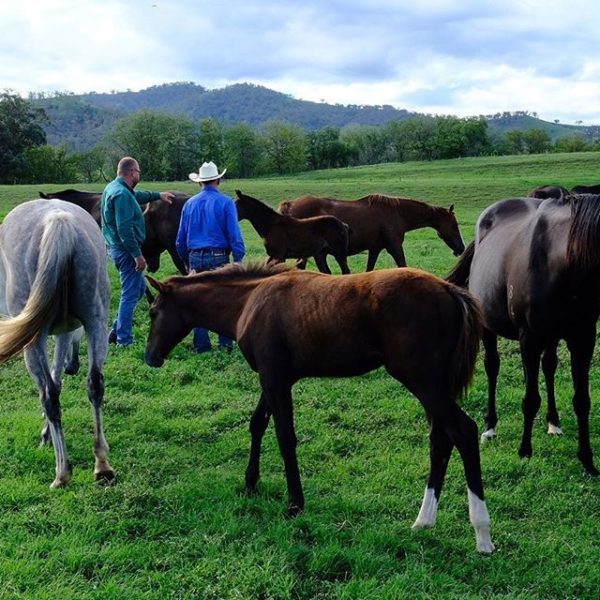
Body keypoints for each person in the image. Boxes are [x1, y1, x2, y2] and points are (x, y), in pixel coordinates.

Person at [101, 156, 174, 347]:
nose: (139, 174)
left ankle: (116, 330)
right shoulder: (122, 195)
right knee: (130, 294)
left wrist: (158, 195)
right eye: (138, 171)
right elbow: (124, 228)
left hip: (116, 248)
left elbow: (136, 196)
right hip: (125, 251)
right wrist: (137, 254)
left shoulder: (114, 188)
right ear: (132, 172)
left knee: (139, 288)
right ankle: (124, 339)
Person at [176, 161, 245, 354]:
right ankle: (225, 345)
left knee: (198, 303)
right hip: (219, 257)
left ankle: (201, 346)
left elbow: (180, 240)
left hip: (195, 257)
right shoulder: (226, 203)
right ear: (218, 180)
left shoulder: (189, 204)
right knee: (223, 302)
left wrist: (187, 261)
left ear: (200, 182)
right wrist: (238, 259)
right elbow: (235, 236)